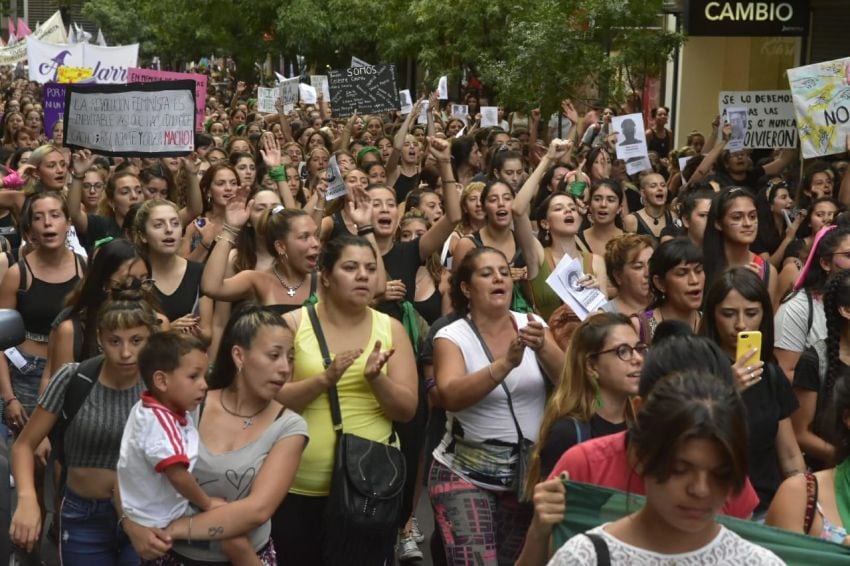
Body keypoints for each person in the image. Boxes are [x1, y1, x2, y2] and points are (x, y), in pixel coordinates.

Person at [123, 305, 309, 564]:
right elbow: (130, 467)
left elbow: (257, 510)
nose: (284, 368)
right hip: (173, 556)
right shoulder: (191, 405)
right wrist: (131, 524)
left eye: (290, 357)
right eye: (274, 355)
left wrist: (175, 529)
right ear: (239, 356)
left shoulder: (289, 426)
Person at [272, 235, 418, 565]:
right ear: (325, 275)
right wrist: (324, 379)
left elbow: (407, 410)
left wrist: (376, 379)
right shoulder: (292, 325)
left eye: (369, 268)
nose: (363, 276)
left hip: (368, 489)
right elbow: (271, 403)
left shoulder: (391, 328)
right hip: (297, 483)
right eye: (350, 268)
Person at [546, 371, 783, 565]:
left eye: (720, 474)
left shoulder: (757, 562)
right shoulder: (583, 559)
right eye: (680, 469)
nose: (700, 490)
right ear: (642, 453)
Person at [428, 247, 563, 565]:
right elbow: (448, 395)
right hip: (463, 474)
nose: (498, 278)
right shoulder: (450, 336)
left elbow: (569, 381)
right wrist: (505, 364)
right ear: (466, 288)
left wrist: (544, 347)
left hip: (524, 478)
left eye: (503, 271)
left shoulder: (532, 324)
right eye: (486, 273)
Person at [10, 288, 160, 563]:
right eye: (115, 341)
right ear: (100, 339)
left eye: (136, 340)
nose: (125, 352)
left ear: (150, 339)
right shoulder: (75, 378)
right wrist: (27, 498)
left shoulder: (162, 385)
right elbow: (23, 445)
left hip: (145, 513)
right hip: (83, 515)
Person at [117, 331, 257, 565]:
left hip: (143, 510)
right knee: (233, 533)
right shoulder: (162, 425)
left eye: (205, 375)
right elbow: (178, 475)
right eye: (193, 377)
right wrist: (207, 503)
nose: (204, 385)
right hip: (159, 518)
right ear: (161, 381)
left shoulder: (146, 409)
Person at [700, 267, 804, 515]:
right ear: (712, 315)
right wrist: (726, 391)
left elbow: (790, 456)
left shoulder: (769, 373)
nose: (741, 324)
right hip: (714, 508)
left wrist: (805, 504)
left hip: (769, 507)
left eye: (751, 313)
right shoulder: (696, 369)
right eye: (728, 314)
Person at [767, 269, 850, 541]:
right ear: (845, 310)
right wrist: (840, 456)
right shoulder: (816, 360)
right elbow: (799, 432)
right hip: (826, 471)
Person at [526, 313, 644, 488]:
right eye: (623, 351)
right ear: (591, 366)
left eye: (639, 348)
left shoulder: (642, 428)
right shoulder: (567, 434)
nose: (638, 359)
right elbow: (550, 511)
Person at [0, 193, 85, 433]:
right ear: (30, 230)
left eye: (55, 215)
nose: (48, 222)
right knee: (30, 450)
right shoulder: (18, 275)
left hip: (74, 369)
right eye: (39, 218)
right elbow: (0, 342)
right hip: (28, 372)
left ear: (68, 223)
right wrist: (9, 398)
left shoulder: (86, 268)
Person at [133, 199, 212, 339]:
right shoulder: (135, 275)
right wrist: (168, 331)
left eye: (175, 224)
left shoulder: (198, 272)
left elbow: (208, 335)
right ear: (143, 236)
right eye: (158, 225)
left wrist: (197, 333)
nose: (169, 230)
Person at [703, 187, 778, 305]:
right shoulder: (701, 267)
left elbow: (767, 321)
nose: (748, 224)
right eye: (737, 217)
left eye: (752, 216)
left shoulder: (766, 271)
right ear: (718, 223)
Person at [639, 237, 705, 341]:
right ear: (660, 283)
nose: (694, 280)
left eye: (699, 270)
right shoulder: (640, 326)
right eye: (682, 273)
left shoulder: (712, 323)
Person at [600, 234, 655, 315]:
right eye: (638, 267)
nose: (648, 273)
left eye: (652, 264)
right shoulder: (604, 318)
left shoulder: (669, 306)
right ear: (618, 276)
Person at [623, 173, 674, 243]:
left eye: (663, 185)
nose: (660, 189)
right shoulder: (632, 220)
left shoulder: (673, 216)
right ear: (643, 193)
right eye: (653, 186)